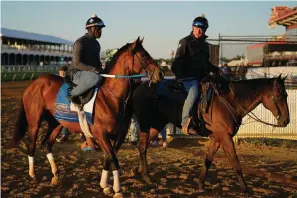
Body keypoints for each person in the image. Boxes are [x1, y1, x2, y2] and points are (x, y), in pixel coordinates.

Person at [171, 14, 221, 135]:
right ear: (193, 27)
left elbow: (206, 63)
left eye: (202, 29)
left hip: (202, 77)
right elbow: (176, 62)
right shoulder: (185, 42)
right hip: (188, 78)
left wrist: (216, 69)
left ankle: (206, 121)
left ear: (205, 30)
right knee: (194, 92)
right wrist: (180, 77)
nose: (199, 31)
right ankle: (184, 123)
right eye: (197, 28)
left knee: (215, 90)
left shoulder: (204, 45)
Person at [68, 14, 105, 103]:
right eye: (98, 28)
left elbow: (97, 62)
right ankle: (71, 94)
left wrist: (102, 70)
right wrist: (93, 69)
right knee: (95, 78)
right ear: (91, 29)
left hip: (90, 73)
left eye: (101, 29)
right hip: (76, 73)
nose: (100, 31)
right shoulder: (80, 42)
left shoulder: (96, 44)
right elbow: (77, 63)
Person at [56, 65, 86, 143]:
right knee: (63, 116)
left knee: (79, 115)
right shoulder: (59, 80)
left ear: (66, 72)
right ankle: (65, 134)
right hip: (63, 100)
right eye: (60, 73)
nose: (61, 74)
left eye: (63, 73)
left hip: (74, 99)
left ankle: (83, 134)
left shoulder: (71, 78)